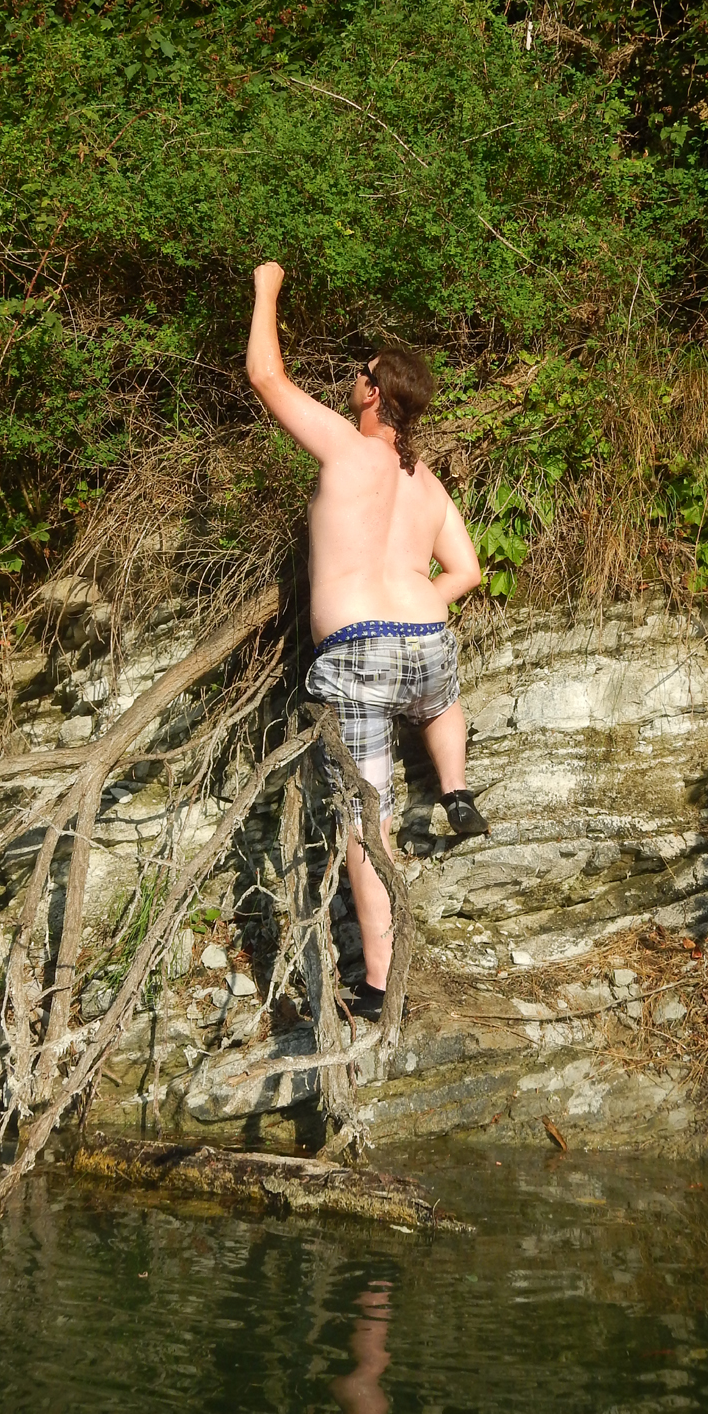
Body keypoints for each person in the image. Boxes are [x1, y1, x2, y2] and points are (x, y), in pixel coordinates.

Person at [246, 260, 489, 1020]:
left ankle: (379, 983)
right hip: (425, 639)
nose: (353, 380)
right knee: (440, 696)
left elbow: (265, 377)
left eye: (360, 374)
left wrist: (267, 288)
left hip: (356, 651)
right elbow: (470, 571)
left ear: (374, 395)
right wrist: (418, 604)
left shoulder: (350, 451)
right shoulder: (426, 479)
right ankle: (456, 787)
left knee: (365, 823)